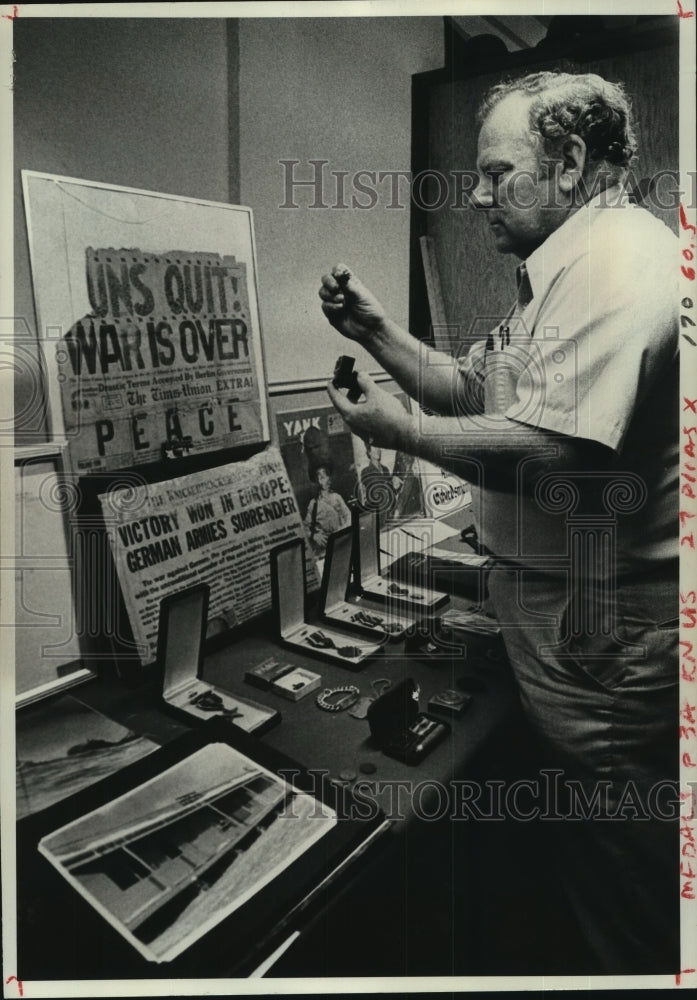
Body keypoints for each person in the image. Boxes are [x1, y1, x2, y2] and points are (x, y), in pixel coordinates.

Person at [319, 71, 679, 974]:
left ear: (569, 163)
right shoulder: (566, 267)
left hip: (599, 622)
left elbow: (550, 454)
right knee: (590, 841)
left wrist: (400, 434)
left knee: (618, 860)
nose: (475, 195)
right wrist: (377, 334)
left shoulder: (617, 265)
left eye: (493, 173)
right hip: (573, 612)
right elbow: (479, 392)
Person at [304, 462, 351, 557]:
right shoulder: (313, 504)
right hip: (325, 549)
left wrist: (342, 531)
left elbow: (349, 517)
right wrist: (314, 535)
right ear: (317, 481)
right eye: (321, 477)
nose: (326, 480)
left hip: (342, 542)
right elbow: (305, 528)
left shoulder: (337, 497)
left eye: (327, 476)